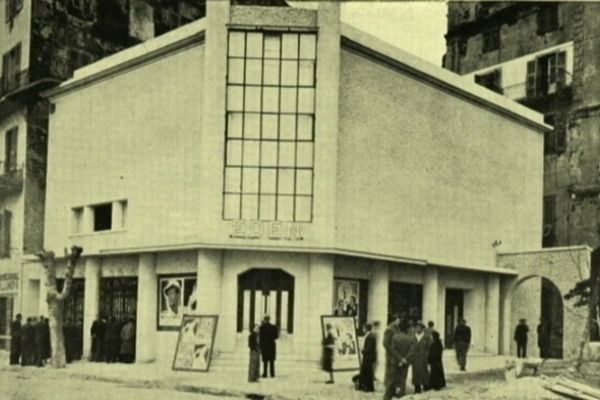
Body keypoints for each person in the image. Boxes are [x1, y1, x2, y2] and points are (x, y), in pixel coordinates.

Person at [383, 319, 414, 400]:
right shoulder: (409, 339)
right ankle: (400, 395)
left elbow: (393, 350)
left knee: (392, 380)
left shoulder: (395, 337)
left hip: (395, 362)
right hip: (404, 363)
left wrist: (399, 359)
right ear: (407, 329)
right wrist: (404, 359)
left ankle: (387, 397)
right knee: (402, 380)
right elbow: (411, 352)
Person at [410, 321, 431, 393]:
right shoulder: (412, 336)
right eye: (416, 327)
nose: (417, 329)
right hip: (415, 357)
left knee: (424, 371)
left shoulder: (427, 336)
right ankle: (417, 387)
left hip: (424, 357)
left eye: (419, 327)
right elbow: (410, 346)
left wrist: (427, 355)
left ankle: (426, 385)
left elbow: (429, 346)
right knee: (415, 372)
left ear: (422, 328)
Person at [358, 322, 377, 392]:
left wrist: (362, 350)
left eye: (363, 328)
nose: (363, 330)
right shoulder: (370, 336)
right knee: (366, 371)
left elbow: (368, 349)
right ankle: (365, 386)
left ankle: (368, 387)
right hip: (368, 357)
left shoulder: (370, 337)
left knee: (368, 372)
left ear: (366, 329)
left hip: (368, 357)